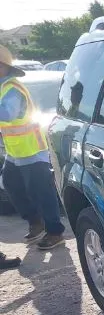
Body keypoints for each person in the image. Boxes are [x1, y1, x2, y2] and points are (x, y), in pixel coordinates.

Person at [0, 44, 65, 251]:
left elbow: (8, 114)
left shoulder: (12, 88)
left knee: (42, 192)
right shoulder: (3, 87)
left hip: (32, 150)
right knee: (11, 184)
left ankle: (55, 232)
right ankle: (36, 222)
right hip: (15, 151)